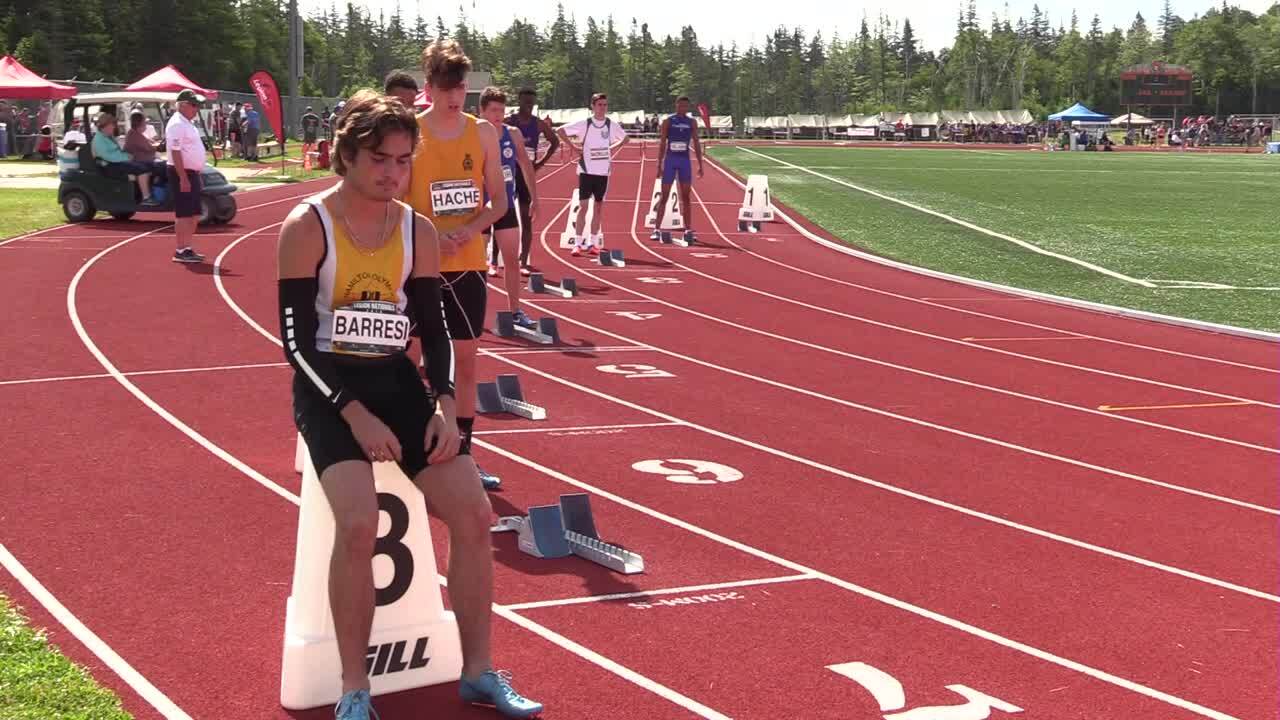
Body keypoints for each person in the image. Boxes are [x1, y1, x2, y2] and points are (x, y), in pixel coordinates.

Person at [277, 89, 541, 720]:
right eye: (379, 160)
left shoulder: (417, 230)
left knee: (475, 515)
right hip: (329, 388)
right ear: (345, 157)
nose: (393, 173)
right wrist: (351, 411)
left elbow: (436, 326)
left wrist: (445, 404)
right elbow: (294, 344)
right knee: (360, 522)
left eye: (402, 160)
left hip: (396, 382)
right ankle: (354, 687)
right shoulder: (307, 226)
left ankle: (477, 671)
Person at [403, 40, 509, 492]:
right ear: (429, 88)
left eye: (460, 88)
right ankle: (410, 447)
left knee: (466, 358)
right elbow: (393, 197)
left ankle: (463, 452)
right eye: (445, 88)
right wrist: (428, 233)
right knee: (409, 357)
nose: (454, 96)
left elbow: (498, 201)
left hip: (467, 262)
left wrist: (473, 228)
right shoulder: (410, 130)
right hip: (418, 264)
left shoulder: (482, 133)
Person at [478, 87, 539, 327]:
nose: (498, 114)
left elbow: (525, 165)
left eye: (502, 110)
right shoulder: (472, 133)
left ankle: (515, 311)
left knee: (512, 260)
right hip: (479, 207)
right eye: (493, 110)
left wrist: (535, 197)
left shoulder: (512, 134)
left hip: (504, 204)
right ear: (481, 111)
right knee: (476, 262)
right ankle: (475, 310)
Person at [556, 92, 628, 256]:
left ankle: (593, 243)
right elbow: (560, 131)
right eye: (599, 105)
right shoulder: (585, 124)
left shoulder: (611, 125)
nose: (602, 108)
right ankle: (578, 243)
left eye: (605, 105)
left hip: (603, 172)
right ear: (593, 107)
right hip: (587, 170)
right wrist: (573, 147)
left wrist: (611, 148)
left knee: (598, 207)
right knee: (583, 207)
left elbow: (625, 139)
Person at [503, 88, 558, 274]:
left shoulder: (539, 124)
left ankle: (524, 260)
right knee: (501, 214)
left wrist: (540, 163)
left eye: (532, 103)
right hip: (509, 175)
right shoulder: (510, 122)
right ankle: (494, 260)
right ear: (519, 101)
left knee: (526, 219)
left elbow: (555, 142)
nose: (529, 106)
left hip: (527, 175)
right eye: (526, 102)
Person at [649, 96, 703, 245]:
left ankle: (688, 229)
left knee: (686, 196)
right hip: (670, 161)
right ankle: (656, 229)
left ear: (688, 107)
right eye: (680, 106)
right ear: (676, 105)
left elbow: (696, 143)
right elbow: (662, 143)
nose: (682, 108)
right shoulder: (668, 121)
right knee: (665, 195)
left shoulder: (692, 122)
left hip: (684, 161)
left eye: (685, 106)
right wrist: (658, 164)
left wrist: (700, 164)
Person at [166, 90, 208, 263]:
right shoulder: (177, 124)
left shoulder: (187, 123)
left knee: (195, 214)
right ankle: (180, 249)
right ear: (182, 105)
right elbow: (175, 152)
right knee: (184, 214)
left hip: (191, 172)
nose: (196, 109)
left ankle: (187, 247)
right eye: (193, 105)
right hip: (181, 172)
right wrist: (182, 177)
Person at [90, 112, 161, 207]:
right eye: (112, 125)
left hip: (116, 163)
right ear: (105, 126)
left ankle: (146, 194)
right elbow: (109, 156)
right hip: (109, 166)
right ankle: (146, 198)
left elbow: (116, 152)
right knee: (142, 169)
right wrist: (127, 157)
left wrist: (127, 156)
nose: (114, 128)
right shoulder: (99, 140)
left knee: (147, 166)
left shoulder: (107, 137)